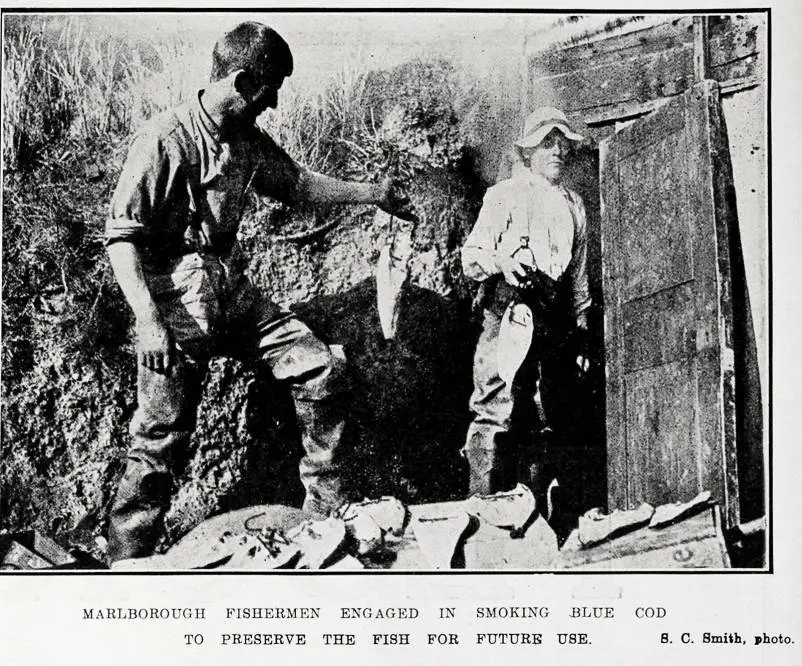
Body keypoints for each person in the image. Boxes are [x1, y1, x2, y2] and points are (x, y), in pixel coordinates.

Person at [104, 21, 412, 563]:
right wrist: (148, 322)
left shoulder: (246, 140)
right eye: (270, 90)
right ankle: (127, 563)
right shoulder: (164, 139)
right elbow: (121, 238)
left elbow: (298, 184)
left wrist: (372, 194)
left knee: (322, 367)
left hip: (230, 291)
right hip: (173, 302)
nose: (273, 104)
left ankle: (325, 519)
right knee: (159, 438)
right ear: (243, 80)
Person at [460, 106, 591, 500]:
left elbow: (578, 276)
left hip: (553, 319)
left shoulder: (574, 204)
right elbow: (472, 257)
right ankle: (480, 510)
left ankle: (535, 513)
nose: (557, 151)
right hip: (508, 312)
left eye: (562, 143)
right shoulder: (504, 195)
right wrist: (503, 262)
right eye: (547, 143)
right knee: (495, 411)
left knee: (545, 414)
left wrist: (582, 326)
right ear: (529, 151)